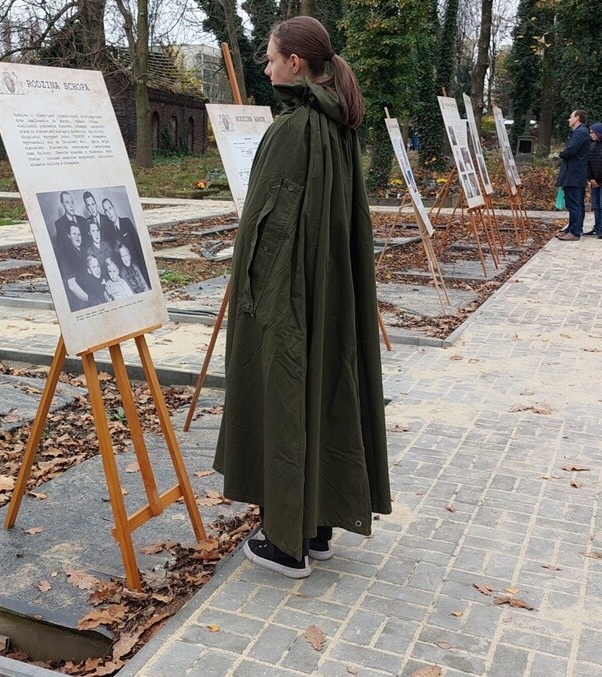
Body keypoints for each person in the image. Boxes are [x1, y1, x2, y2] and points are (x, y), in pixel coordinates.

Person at [213, 16, 391, 579]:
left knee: (288, 390)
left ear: (295, 63)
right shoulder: (338, 124)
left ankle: (286, 542)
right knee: (322, 388)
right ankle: (314, 529)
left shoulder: (293, 129)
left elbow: (269, 233)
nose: (264, 68)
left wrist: (254, 304)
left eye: (269, 58)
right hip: (328, 290)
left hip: (290, 295)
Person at [556, 109, 591, 240]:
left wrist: (562, 153)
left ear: (578, 118)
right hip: (575, 173)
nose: (569, 119)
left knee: (574, 203)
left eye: (571, 117)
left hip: (574, 174)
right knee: (574, 203)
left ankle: (575, 232)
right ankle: (572, 228)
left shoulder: (580, 133)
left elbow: (570, 150)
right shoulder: (579, 132)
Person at [101, 199, 150, 289]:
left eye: (110, 208)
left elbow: (137, 244)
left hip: (138, 263)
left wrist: (144, 264)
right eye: (106, 210)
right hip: (126, 270)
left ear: (114, 208)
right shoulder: (108, 231)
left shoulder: (126, 222)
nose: (109, 212)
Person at [588, 123, 602, 238]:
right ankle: (597, 227)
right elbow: (588, 164)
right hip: (594, 181)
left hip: (600, 181)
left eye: (593, 132)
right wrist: (591, 178)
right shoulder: (592, 146)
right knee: (596, 205)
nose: (591, 134)